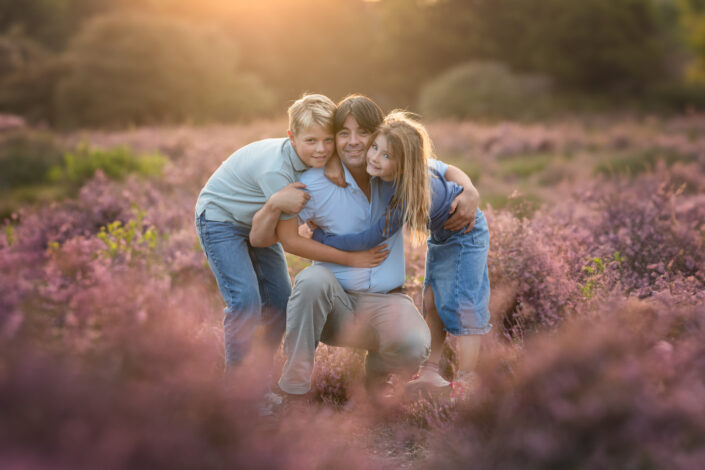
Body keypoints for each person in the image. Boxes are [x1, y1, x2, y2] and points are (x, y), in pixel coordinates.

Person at [250, 95, 480, 404]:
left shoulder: (396, 165)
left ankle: (375, 376)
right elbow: (267, 238)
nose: (354, 142)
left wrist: (470, 190)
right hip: (336, 307)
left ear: (380, 133)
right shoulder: (314, 183)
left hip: (388, 301)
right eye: (343, 133)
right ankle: (294, 391)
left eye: (362, 133)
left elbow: (444, 168)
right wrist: (272, 205)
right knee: (311, 281)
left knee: (415, 345)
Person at [195, 93, 386, 369]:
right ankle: (237, 391)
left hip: (257, 222)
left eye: (328, 140)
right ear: (291, 137)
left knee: (282, 303)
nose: (320, 149)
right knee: (245, 303)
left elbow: (265, 233)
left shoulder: (320, 156)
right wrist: (274, 205)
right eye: (311, 141)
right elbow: (266, 239)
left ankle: (258, 377)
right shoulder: (277, 172)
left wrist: (332, 160)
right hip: (220, 219)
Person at [313, 111, 492, 400]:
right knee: (431, 299)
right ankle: (431, 372)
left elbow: (371, 237)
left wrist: (323, 237)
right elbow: (446, 169)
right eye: (375, 148)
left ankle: (467, 382)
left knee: (463, 304)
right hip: (443, 236)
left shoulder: (406, 193)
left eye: (386, 156)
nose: (374, 158)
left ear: (403, 163)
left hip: (466, 234)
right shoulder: (402, 171)